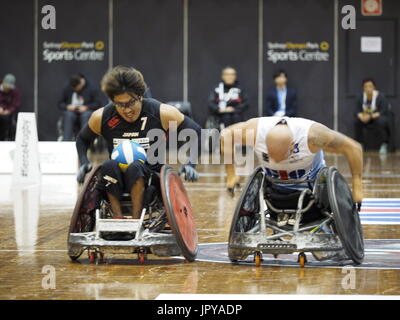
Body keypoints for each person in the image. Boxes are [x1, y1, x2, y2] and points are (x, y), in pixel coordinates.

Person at [76, 66, 201, 219]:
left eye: (130, 103)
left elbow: (196, 132)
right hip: (116, 178)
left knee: (135, 167)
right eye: (120, 104)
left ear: (140, 96)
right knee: (107, 165)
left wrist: (190, 164)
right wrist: (83, 162)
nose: (126, 110)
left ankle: (135, 221)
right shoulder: (102, 117)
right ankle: (118, 219)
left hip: (152, 178)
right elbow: (82, 139)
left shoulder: (161, 112)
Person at [221, 116, 363, 226]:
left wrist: (357, 185)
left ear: (292, 147)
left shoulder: (313, 136)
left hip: (313, 194)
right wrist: (231, 175)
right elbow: (225, 135)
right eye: (270, 154)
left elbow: (353, 147)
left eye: (280, 156)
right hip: (275, 194)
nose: (276, 161)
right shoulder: (255, 131)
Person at [58, 73, 101, 141]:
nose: (75, 89)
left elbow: (98, 103)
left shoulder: (92, 87)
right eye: (73, 88)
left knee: (86, 115)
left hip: (87, 112)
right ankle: (66, 141)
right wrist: (67, 106)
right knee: (68, 115)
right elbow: (60, 103)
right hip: (72, 112)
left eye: (76, 87)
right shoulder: (68, 86)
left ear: (81, 83)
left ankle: (85, 141)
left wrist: (87, 107)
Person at [355, 78, 390, 153]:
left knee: (381, 121)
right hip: (365, 118)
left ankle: (384, 144)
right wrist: (361, 116)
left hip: (376, 117)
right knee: (357, 122)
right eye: (366, 86)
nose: (368, 88)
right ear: (363, 88)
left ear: (374, 87)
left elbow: (383, 110)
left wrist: (370, 116)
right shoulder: (360, 97)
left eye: (370, 86)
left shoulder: (380, 97)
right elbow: (357, 111)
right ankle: (359, 144)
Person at [0, 74, 20, 141]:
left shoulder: (15, 91)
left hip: (8, 114)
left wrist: (9, 110)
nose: (8, 88)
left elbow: (15, 104)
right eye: (7, 86)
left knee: (9, 123)